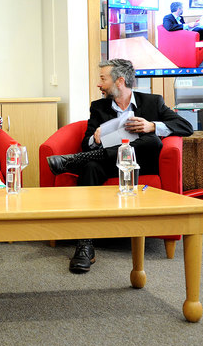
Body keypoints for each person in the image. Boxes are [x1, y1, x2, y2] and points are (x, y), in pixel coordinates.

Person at [46, 59, 193, 274]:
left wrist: (152, 126)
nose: (100, 84)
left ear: (120, 81)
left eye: (103, 79)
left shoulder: (152, 102)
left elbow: (185, 126)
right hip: (109, 164)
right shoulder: (99, 107)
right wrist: (94, 140)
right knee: (91, 167)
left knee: (152, 140)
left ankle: (72, 161)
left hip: (138, 165)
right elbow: (84, 142)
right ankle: (85, 244)